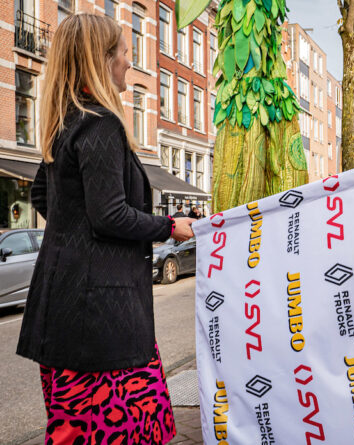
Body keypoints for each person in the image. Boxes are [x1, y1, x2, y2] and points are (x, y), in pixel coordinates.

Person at [15, 14, 196, 445]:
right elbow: (110, 214)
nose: (129, 67)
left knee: (73, 432)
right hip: (102, 323)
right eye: (124, 56)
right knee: (127, 431)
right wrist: (172, 226)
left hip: (62, 311)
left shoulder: (65, 123)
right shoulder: (101, 124)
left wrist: (74, 237)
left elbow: (42, 195)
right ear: (102, 60)